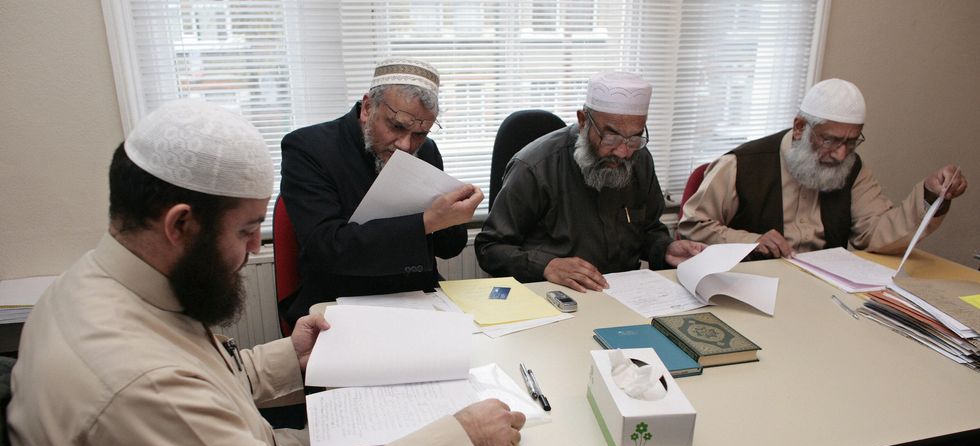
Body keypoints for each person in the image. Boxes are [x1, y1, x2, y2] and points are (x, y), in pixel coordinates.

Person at [7, 99, 524, 446]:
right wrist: (459, 442)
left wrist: (289, 355)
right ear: (180, 223)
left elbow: (200, 381)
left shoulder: (92, 285)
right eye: (248, 230)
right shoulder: (134, 380)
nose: (257, 247)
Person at [279, 58, 481, 326]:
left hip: (415, 299)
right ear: (367, 108)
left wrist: (453, 217)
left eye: (420, 132)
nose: (406, 145)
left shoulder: (427, 150)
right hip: (339, 301)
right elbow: (326, 247)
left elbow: (448, 248)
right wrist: (427, 221)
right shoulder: (308, 148)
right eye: (397, 126)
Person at [677, 78, 968, 259]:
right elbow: (693, 228)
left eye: (851, 142)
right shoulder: (741, 165)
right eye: (830, 140)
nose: (841, 154)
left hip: (826, 293)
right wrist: (751, 242)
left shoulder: (853, 169)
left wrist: (930, 195)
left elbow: (876, 233)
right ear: (801, 127)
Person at [474, 70, 704, 293]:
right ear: (583, 121)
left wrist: (665, 248)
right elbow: (490, 248)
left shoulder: (639, 159)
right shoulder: (535, 167)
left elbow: (648, 229)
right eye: (611, 136)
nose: (623, 152)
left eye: (634, 138)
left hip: (623, 295)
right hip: (552, 299)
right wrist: (546, 265)